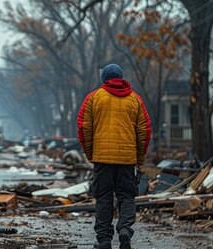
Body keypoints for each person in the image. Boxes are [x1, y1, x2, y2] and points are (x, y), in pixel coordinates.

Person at [77, 63, 151, 249]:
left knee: (103, 198)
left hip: (102, 159)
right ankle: (125, 229)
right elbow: (144, 131)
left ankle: (104, 240)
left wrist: (90, 153)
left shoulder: (93, 98)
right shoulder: (135, 100)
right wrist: (139, 158)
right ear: (122, 77)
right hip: (127, 160)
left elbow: (84, 127)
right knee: (126, 196)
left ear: (104, 79)